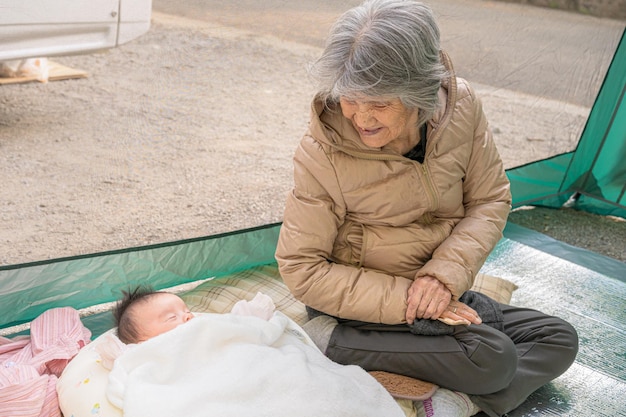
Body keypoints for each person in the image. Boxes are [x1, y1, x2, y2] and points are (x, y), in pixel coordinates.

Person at [274, 1, 579, 416]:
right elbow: (301, 267)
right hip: (364, 304)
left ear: (418, 89)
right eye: (349, 98)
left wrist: (443, 277)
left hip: (438, 286)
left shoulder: (462, 106)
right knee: (491, 357)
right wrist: (412, 299)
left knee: (557, 338)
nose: (360, 117)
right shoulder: (321, 151)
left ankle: (456, 394)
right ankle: (333, 340)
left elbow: (490, 199)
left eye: (379, 103)